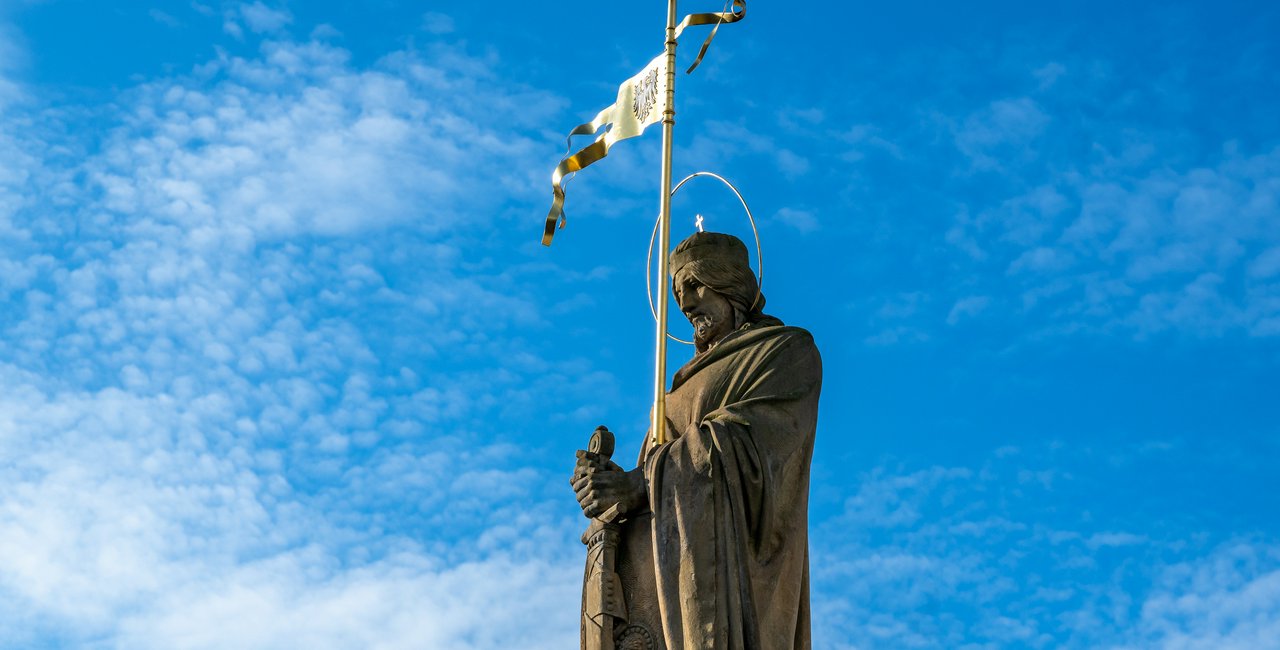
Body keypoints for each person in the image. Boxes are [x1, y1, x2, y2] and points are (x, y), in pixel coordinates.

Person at [572, 231, 822, 649]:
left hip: (738, 577)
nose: (685, 304)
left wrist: (642, 482)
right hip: (664, 596)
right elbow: (651, 486)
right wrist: (610, 490)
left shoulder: (784, 352)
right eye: (676, 292)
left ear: (730, 283)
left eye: (694, 285)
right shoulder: (669, 395)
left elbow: (749, 441)